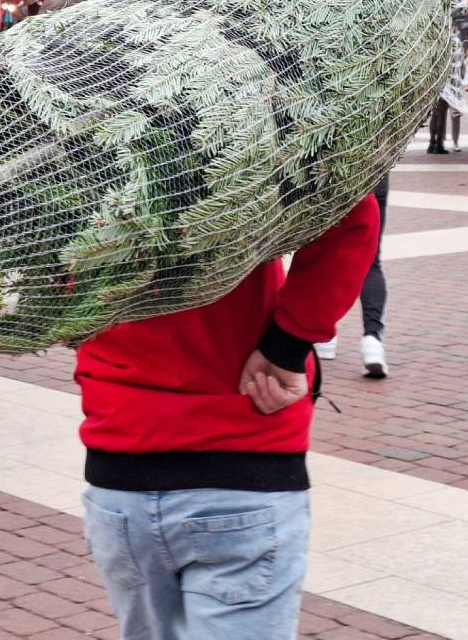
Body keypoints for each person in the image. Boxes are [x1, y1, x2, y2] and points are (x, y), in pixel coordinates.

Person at [75, 197, 380, 639]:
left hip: (121, 453)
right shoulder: (258, 128)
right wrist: (287, 345)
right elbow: (353, 210)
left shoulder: (64, 148)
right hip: (243, 441)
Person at [313, 175, 390, 378]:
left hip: (334, 177)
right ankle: (372, 341)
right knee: (372, 261)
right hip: (376, 175)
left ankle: (325, 334)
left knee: (325, 253)